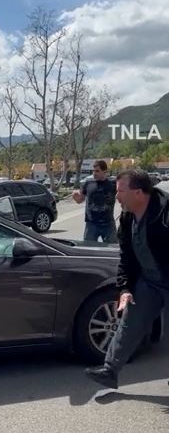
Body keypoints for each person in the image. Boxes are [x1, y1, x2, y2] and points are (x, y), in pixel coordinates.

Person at [85, 169, 169, 389]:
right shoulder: (127, 216)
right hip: (150, 281)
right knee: (129, 321)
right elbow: (127, 257)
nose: (117, 196)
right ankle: (110, 370)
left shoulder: (165, 213)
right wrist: (125, 288)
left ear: (139, 193)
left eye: (121, 191)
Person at [72, 160, 117, 243]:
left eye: (97, 171)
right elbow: (80, 200)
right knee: (88, 249)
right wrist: (75, 196)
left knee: (112, 250)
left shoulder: (113, 184)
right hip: (91, 224)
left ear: (105, 172)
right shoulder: (88, 183)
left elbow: (122, 196)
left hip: (108, 224)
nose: (94, 173)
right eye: (93, 171)